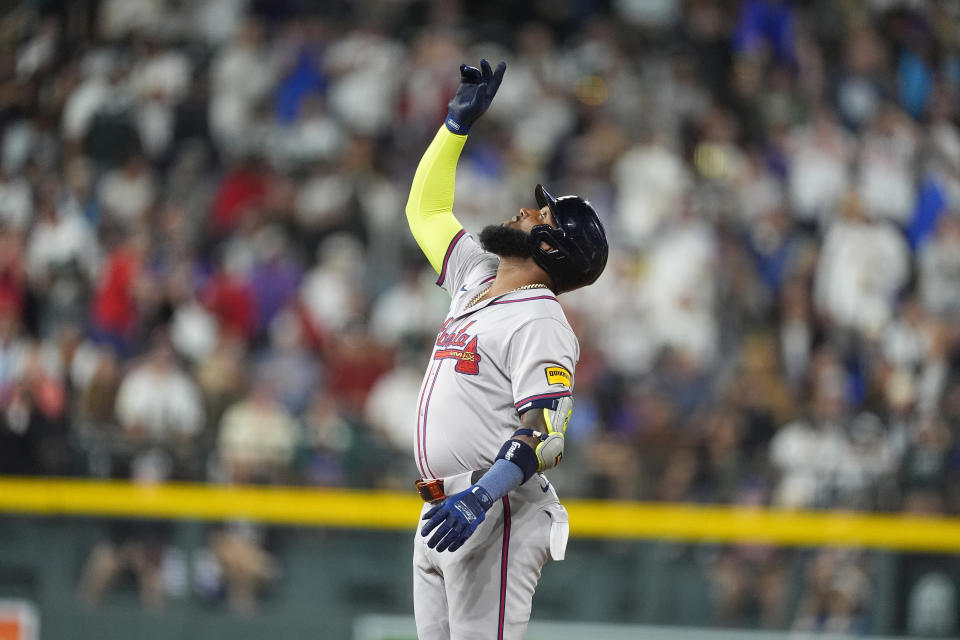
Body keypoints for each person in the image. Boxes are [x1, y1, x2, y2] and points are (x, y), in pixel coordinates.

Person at [405, 59, 608, 639]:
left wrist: (482, 496)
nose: (524, 210)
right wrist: (453, 129)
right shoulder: (476, 278)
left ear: (550, 245)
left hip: (493, 506)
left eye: (538, 214)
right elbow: (425, 211)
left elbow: (546, 430)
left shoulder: (542, 317)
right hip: (443, 506)